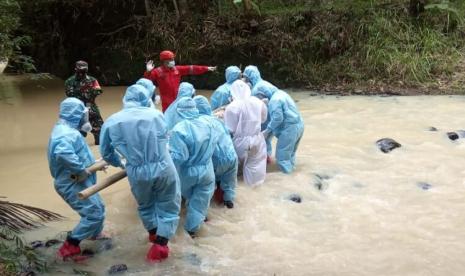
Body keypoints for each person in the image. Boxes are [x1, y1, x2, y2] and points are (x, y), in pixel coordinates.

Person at [99, 84, 181, 262]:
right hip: (163, 165)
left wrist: (122, 164)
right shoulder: (157, 115)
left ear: (125, 99)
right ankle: (161, 244)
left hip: (137, 171)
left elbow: (106, 152)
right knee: (168, 205)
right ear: (146, 98)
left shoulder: (112, 121)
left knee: (146, 205)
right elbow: (166, 138)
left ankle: (152, 234)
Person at [47, 97, 106, 260]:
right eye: (83, 115)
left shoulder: (67, 130)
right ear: (77, 115)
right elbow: (63, 154)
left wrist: (95, 164)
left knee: (99, 207)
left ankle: (94, 234)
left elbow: (78, 154)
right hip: (72, 182)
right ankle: (70, 245)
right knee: (94, 214)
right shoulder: (65, 134)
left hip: (78, 180)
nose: (85, 118)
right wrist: (82, 170)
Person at [169, 98, 220, 236]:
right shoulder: (211, 123)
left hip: (187, 172)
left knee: (182, 198)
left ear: (179, 111)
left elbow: (179, 157)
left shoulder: (179, 129)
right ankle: (192, 230)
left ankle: (180, 234)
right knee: (201, 200)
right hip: (207, 170)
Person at [193, 95, 238, 208]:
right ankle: (229, 202)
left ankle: (205, 214)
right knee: (229, 184)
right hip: (231, 157)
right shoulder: (218, 120)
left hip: (214, 160)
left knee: (204, 189)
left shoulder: (197, 123)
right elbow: (228, 134)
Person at [253, 83, 304, 174]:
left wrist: (267, 130)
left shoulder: (274, 100)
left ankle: (289, 180)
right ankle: (294, 174)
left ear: (264, 95)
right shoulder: (281, 93)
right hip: (299, 126)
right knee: (290, 155)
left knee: (282, 158)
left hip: (289, 130)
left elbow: (278, 118)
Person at [224, 80, 268, 186]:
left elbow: (230, 128)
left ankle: (241, 195)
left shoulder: (232, 107)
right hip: (257, 139)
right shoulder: (258, 102)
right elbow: (263, 119)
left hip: (240, 142)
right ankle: (255, 192)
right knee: (256, 170)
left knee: (236, 171)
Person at [143, 50, 217, 112]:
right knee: (167, 117)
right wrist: (148, 71)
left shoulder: (177, 69)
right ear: (165, 61)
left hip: (178, 99)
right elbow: (147, 82)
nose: (173, 61)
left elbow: (192, 68)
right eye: (171, 60)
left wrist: (206, 68)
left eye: (173, 59)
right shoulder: (157, 71)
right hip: (166, 102)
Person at [242, 65, 278, 162]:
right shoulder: (264, 83)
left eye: (246, 78)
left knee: (262, 141)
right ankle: (268, 160)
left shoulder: (257, 88)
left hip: (267, 119)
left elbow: (257, 110)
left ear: (250, 77)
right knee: (266, 142)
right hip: (274, 117)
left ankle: (266, 161)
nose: (245, 80)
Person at [65, 60, 104, 145]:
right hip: (76, 110)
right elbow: (69, 94)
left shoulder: (92, 80)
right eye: (80, 70)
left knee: (100, 134)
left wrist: (85, 93)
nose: (82, 72)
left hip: (90, 107)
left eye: (84, 70)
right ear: (76, 69)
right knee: (76, 136)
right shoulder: (70, 81)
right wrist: (85, 91)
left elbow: (98, 91)